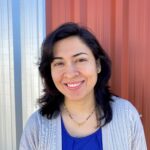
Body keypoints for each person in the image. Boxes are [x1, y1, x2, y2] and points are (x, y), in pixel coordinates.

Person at [19, 22, 147, 150]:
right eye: (59, 63)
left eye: (80, 60)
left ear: (97, 65)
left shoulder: (126, 115)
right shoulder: (36, 127)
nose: (70, 74)